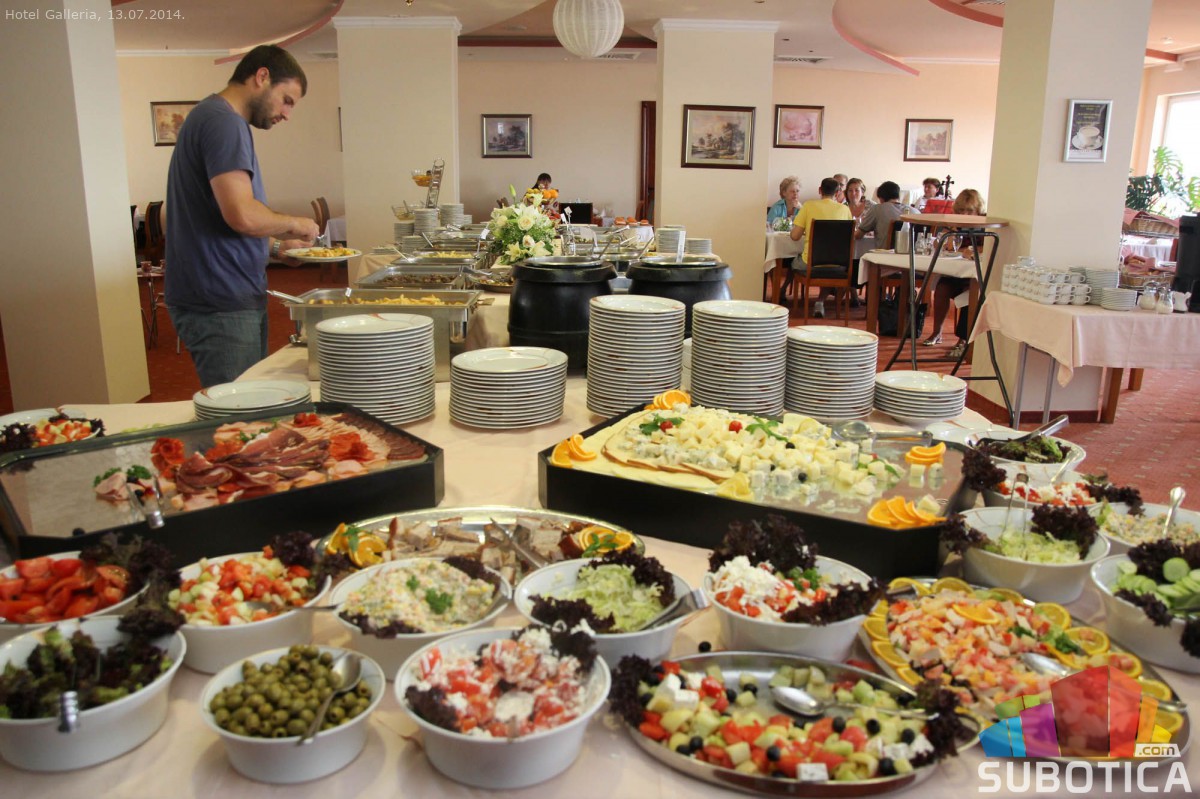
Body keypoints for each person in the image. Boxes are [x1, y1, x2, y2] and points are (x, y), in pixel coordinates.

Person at [165, 45, 319, 388]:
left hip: (223, 293)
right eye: (287, 100)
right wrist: (296, 223)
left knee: (250, 398)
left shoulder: (215, 117)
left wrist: (276, 248)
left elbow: (218, 216)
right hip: (219, 298)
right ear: (262, 77)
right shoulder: (224, 122)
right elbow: (242, 215)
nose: (287, 114)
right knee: (239, 409)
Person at [923, 189, 985, 359]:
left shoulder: (984, 226)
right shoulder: (955, 224)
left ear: (978, 211)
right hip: (956, 274)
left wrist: (971, 249)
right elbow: (945, 246)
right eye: (961, 210)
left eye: (969, 211)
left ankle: (963, 340)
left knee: (971, 294)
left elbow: (985, 247)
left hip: (975, 277)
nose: (965, 215)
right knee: (942, 288)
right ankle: (937, 332)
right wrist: (951, 232)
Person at [786, 177, 853, 317]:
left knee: (794, 262)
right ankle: (820, 301)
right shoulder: (845, 209)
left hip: (810, 264)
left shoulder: (808, 206)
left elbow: (795, 236)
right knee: (829, 265)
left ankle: (787, 297)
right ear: (838, 192)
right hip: (839, 265)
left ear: (819, 190)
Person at [855, 180, 912, 248]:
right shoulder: (916, 212)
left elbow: (858, 235)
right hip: (913, 254)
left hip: (884, 253)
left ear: (881, 198)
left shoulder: (877, 209)